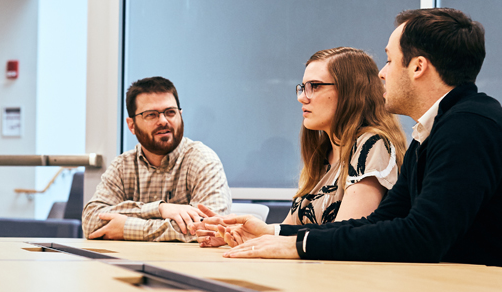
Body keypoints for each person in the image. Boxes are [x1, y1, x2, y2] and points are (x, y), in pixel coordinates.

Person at [191, 8, 502, 267]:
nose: (382, 73)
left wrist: (297, 245)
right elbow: (381, 222)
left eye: (390, 60)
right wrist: (276, 233)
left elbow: (421, 238)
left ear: (418, 66)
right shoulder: (435, 129)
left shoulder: (469, 127)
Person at [83, 76, 231, 242]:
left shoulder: (203, 160)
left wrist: (127, 228)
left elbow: (211, 229)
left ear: (180, 116)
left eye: (170, 113)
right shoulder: (122, 166)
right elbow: (91, 222)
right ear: (131, 125)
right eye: (151, 115)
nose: (163, 121)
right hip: (130, 263)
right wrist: (160, 209)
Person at [285, 47, 406, 226]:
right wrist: (251, 232)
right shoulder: (323, 153)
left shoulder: (371, 144)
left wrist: (272, 235)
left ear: (350, 91)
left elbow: (344, 236)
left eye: (315, 86)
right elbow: (286, 230)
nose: (302, 97)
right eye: (303, 87)